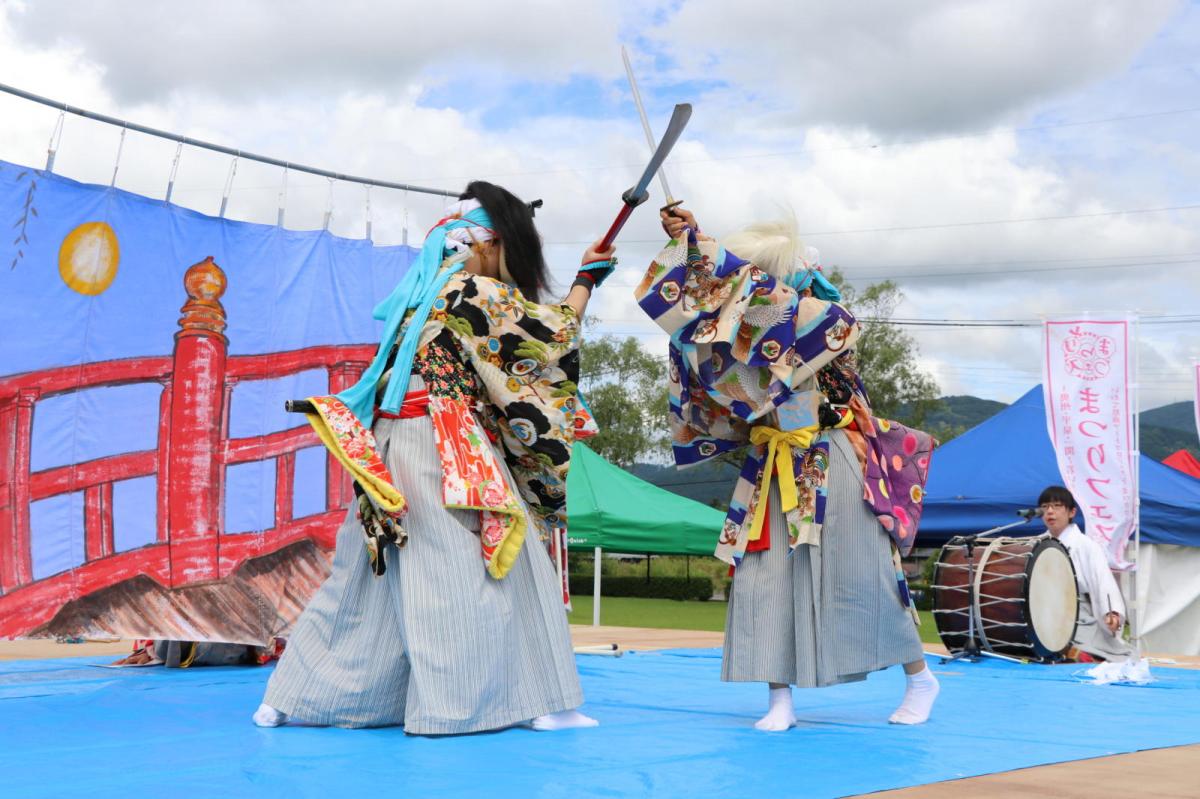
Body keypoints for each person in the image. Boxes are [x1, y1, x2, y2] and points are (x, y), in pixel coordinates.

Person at [254, 181, 615, 734]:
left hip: (392, 443)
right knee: (486, 571)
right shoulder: (470, 290)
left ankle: (291, 697)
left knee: (367, 576)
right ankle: (506, 705)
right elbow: (550, 340)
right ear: (487, 245)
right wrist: (587, 280)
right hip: (444, 446)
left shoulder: (418, 299)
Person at [637, 208, 939, 729]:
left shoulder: (823, 317)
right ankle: (779, 697)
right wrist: (689, 250)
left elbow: (754, 300)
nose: (735, 290)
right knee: (762, 578)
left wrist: (699, 243)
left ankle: (919, 675)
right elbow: (712, 322)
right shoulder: (744, 330)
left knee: (861, 569)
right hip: (770, 461)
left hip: (829, 452)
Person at [1038, 486, 1133, 662]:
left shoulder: (1086, 545)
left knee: (1094, 649)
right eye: (1045, 507)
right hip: (1042, 610)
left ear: (1072, 512)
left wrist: (1111, 611)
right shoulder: (1038, 544)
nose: (1050, 511)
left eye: (1057, 506)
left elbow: (1102, 579)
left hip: (1077, 612)